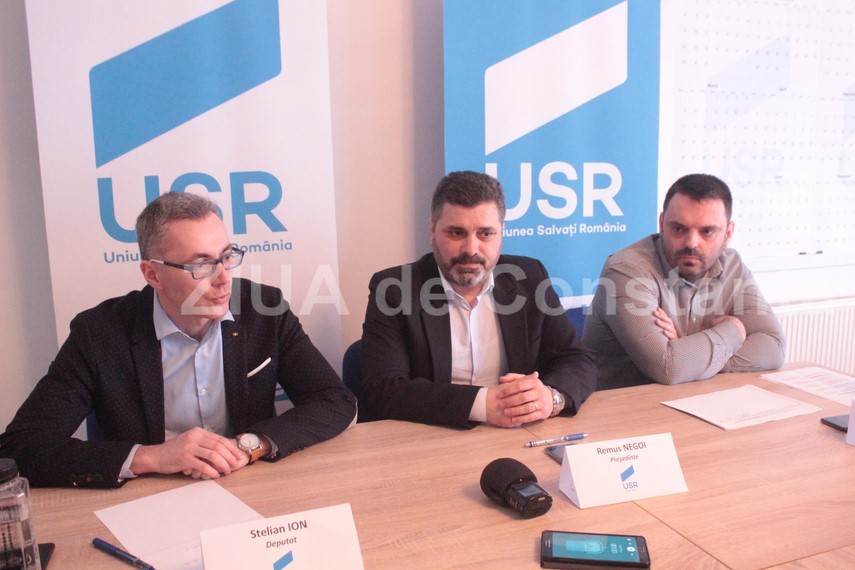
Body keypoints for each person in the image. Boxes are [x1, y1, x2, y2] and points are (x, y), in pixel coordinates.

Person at [0, 192, 356, 488]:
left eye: (226, 257)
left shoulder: (265, 311)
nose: (223, 279)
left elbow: (335, 400)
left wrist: (250, 445)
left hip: (249, 484)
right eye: (201, 265)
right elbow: (20, 447)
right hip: (146, 499)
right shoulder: (99, 334)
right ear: (153, 274)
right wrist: (151, 457)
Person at [360, 170, 596, 428]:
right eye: (456, 233)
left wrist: (551, 397)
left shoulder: (530, 277)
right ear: (433, 231)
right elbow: (383, 389)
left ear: (501, 232)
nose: (471, 249)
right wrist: (482, 404)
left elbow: (576, 359)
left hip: (518, 434)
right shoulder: (394, 289)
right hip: (433, 434)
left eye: (485, 233)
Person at [582, 173, 786, 390]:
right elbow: (668, 368)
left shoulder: (733, 266)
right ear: (662, 224)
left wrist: (687, 349)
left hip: (692, 398)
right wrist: (733, 331)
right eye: (679, 229)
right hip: (621, 406)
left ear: (728, 234)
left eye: (707, 231)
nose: (691, 243)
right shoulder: (626, 270)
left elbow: (774, 347)